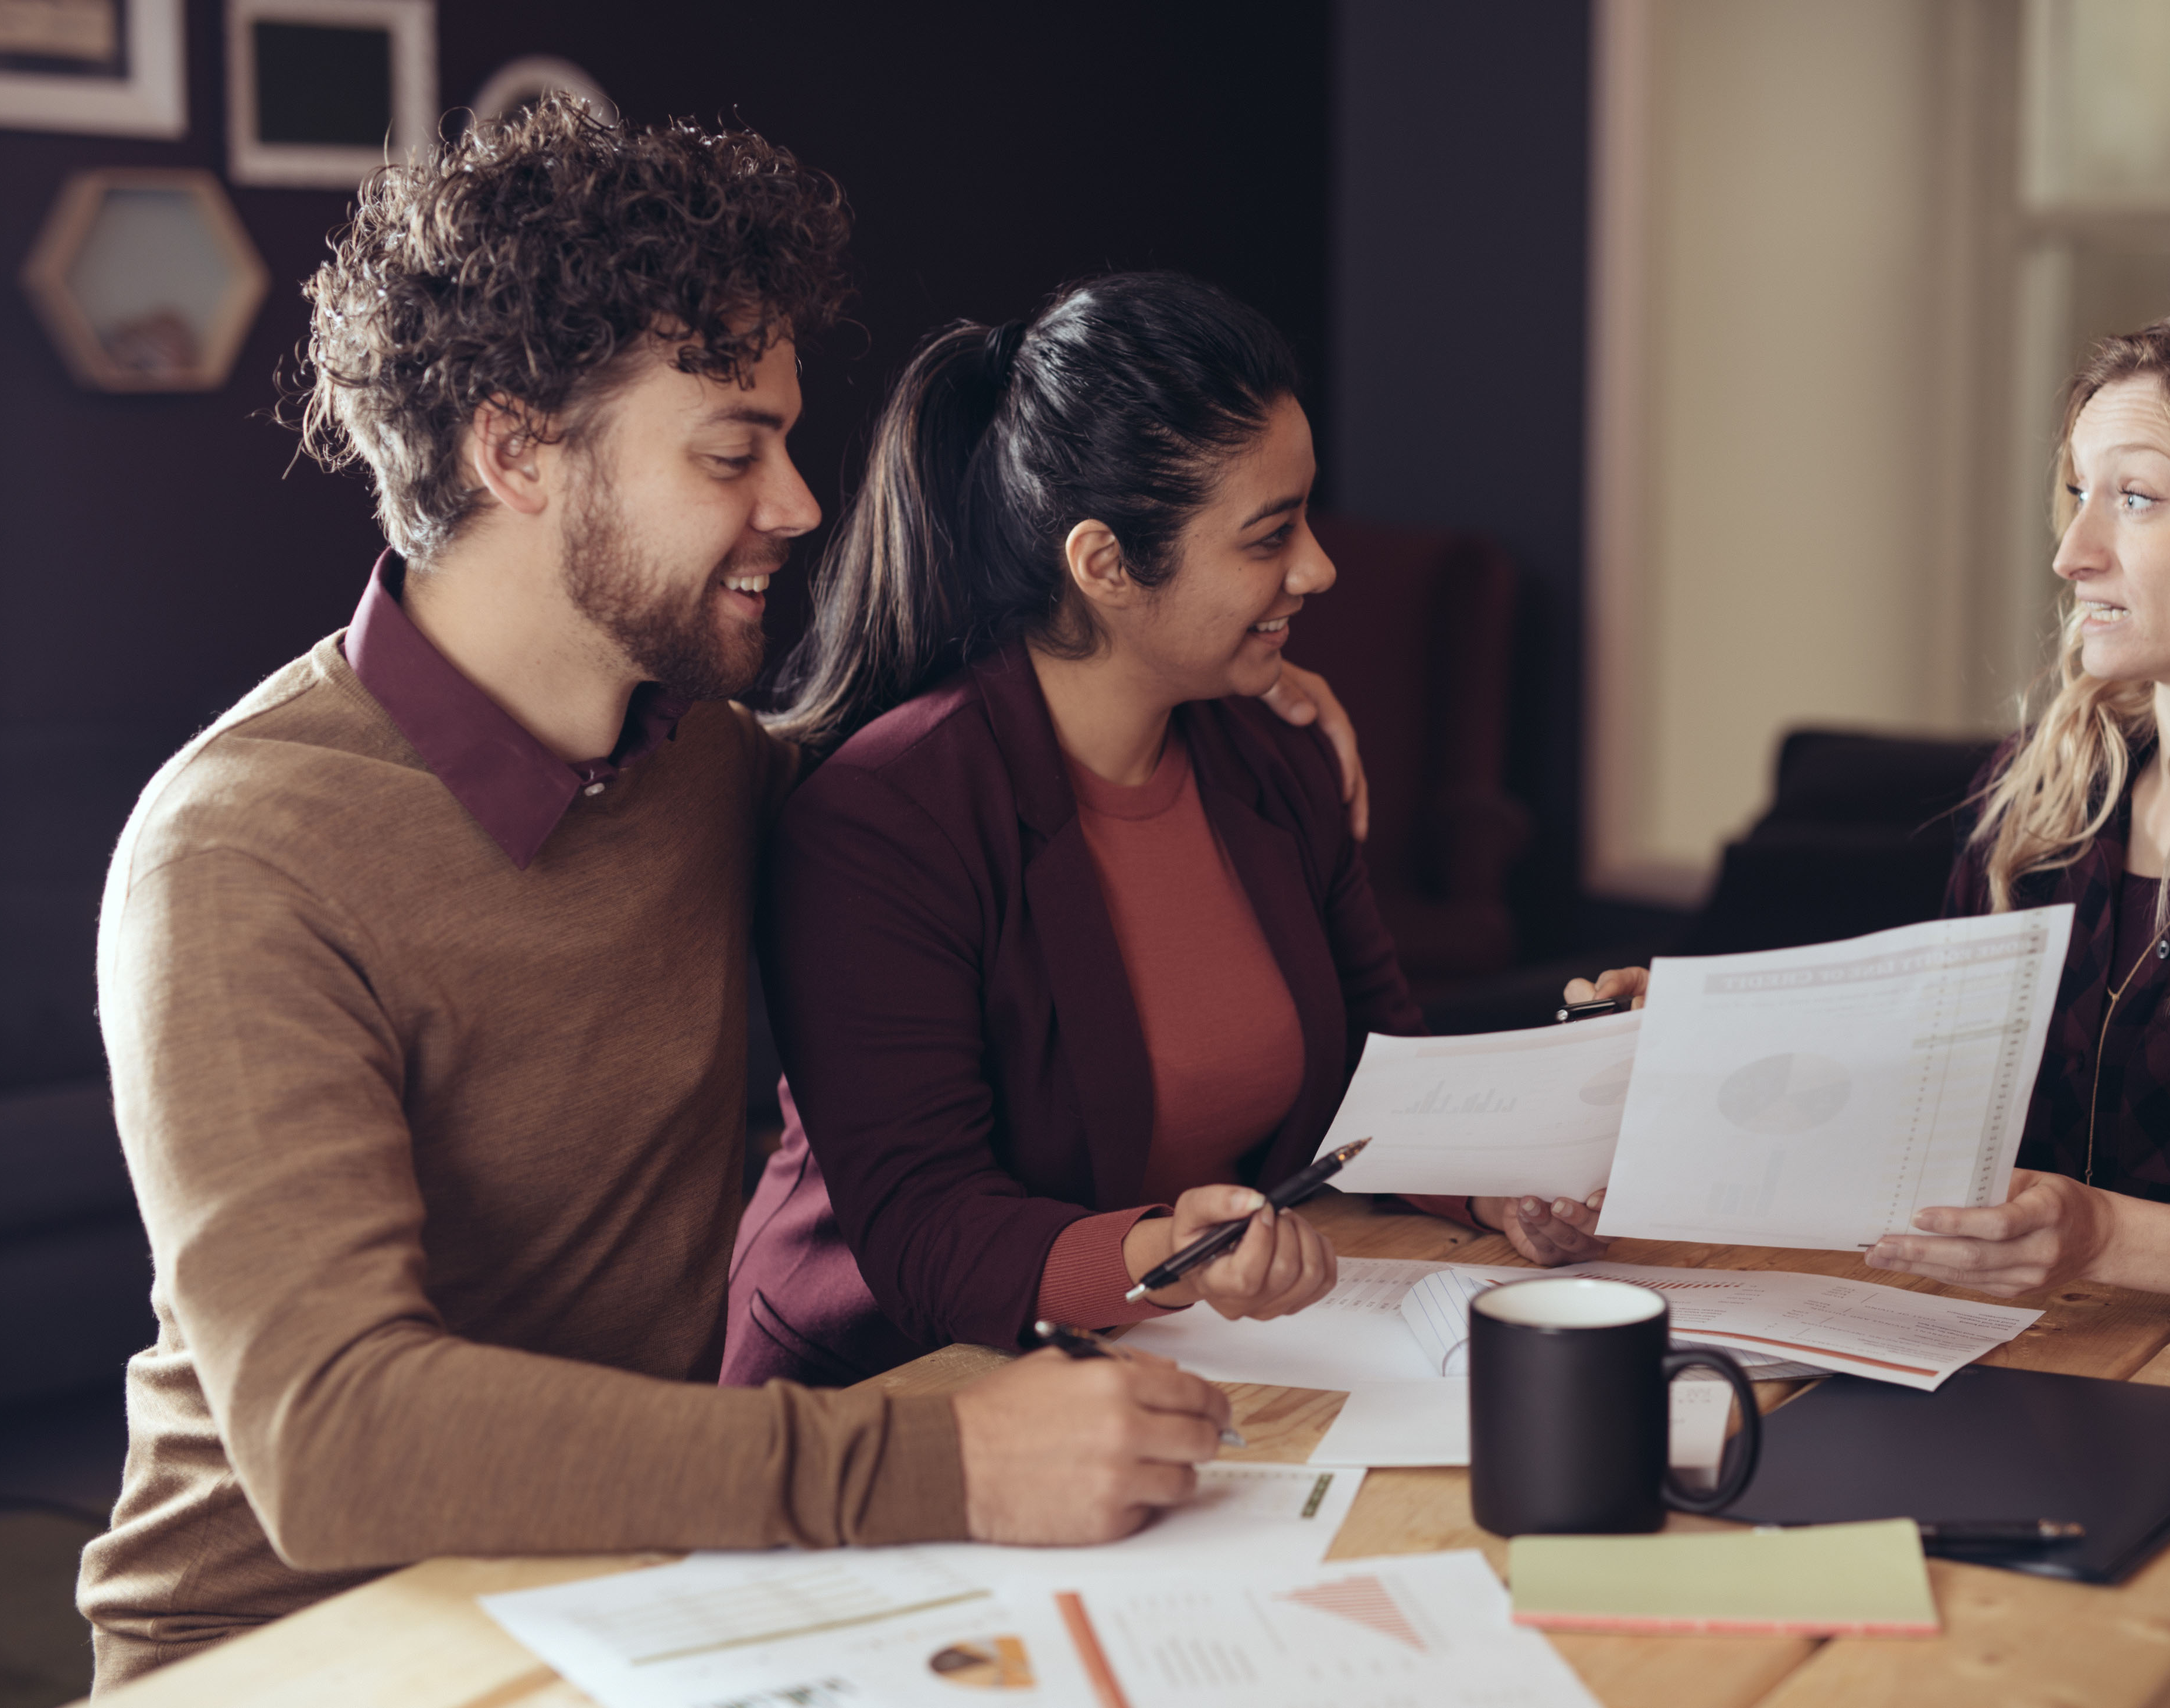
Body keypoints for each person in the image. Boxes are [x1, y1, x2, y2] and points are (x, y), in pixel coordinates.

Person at [79, 104, 1366, 1689]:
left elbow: (961, 776)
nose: (799, 503)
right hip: (296, 1639)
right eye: (730, 451)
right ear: (516, 452)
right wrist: (929, 1460)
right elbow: (335, 1435)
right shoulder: (240, 851)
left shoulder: (699, 763)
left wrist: (1241, 698)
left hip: (624, 1579)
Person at [1568, 304, 2170, 1704]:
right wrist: (1713, 1054)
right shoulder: (2055, 802)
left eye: (2138, 499)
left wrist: (2107, 1235)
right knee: (1656, 1585)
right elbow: (1953, 1113)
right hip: (2009, 1393)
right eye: (2078, 492)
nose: (2072, 553)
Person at [722, 274, 1601, 1386]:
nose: (1318, 568)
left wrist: (1486, 1183)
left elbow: (1380, 1072)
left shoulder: (1274, 756)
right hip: (899, 1384)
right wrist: (1177, 1256)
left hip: (1183, 1358)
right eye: (1269, 536)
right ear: (1104, 567)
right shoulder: (887, 820)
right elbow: (929, 1233)